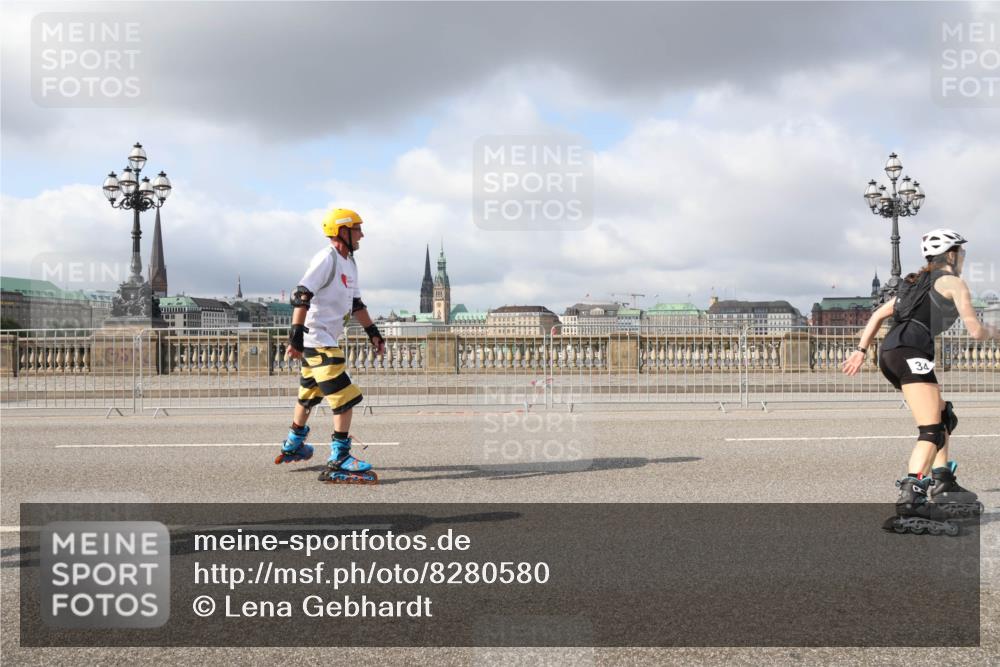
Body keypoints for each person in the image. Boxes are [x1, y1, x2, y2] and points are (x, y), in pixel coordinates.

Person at [842, 229, 996, 533]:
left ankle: (942, 479)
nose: (963, 258)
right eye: (961, 253)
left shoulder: (912, 285)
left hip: (891, 352)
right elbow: (976, 332)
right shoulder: (953, 282)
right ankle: (912, 498)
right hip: (910, 352)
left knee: (942, 415)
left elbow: (876, 316)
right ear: (951, 255)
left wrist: (861, 351)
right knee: (931, 429)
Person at [274, 208, 386, 484]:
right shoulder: (328, 258)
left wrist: (373, 331)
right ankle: (340, 457)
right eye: (357, 228)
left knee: (308, 394)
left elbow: (356, 304)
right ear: (342, 231)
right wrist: (296, 336)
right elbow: (302, 294)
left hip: (325, 338)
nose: (362, 234)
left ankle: (294, 443)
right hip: (318, 339)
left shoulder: (350, 263)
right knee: (345, 397)